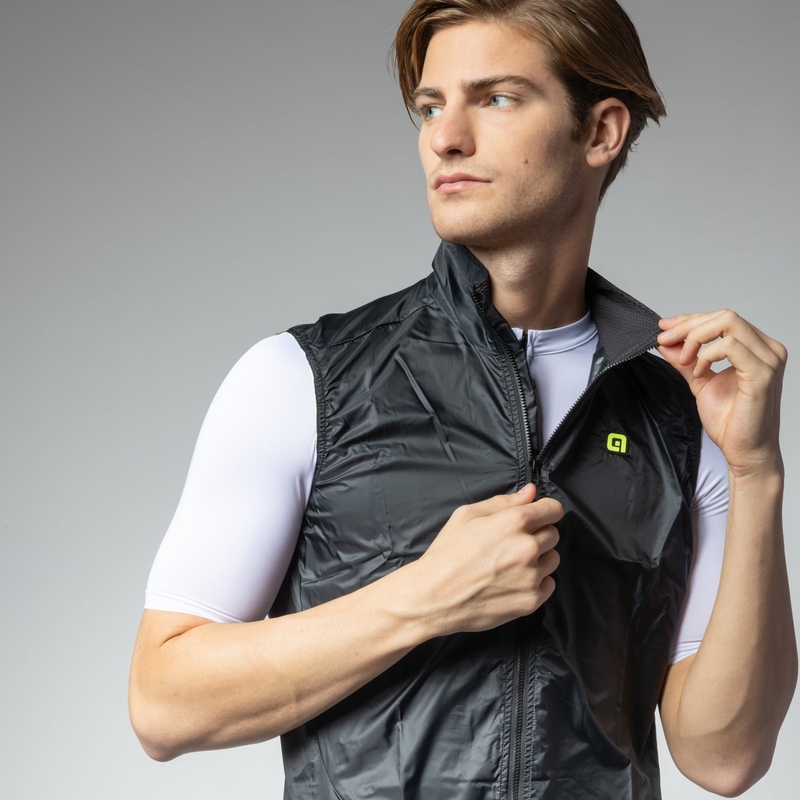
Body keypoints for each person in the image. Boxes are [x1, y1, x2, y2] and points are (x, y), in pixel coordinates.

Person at [129, 1, 796, 797]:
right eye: (430, 107)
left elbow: (723, 758)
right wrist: (426, 596)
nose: (445, 137)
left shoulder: (684, 415)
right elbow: (164, 705)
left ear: (600, 132)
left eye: (497, 98)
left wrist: (757, 472)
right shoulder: (301, 381)